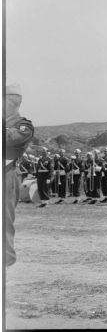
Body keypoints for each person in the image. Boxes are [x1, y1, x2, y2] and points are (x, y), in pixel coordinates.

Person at [4, 84, 34, 266]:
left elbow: (11, 138)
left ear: (11, 101)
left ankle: (5, 262)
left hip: (6, 175)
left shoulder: (23, 125)